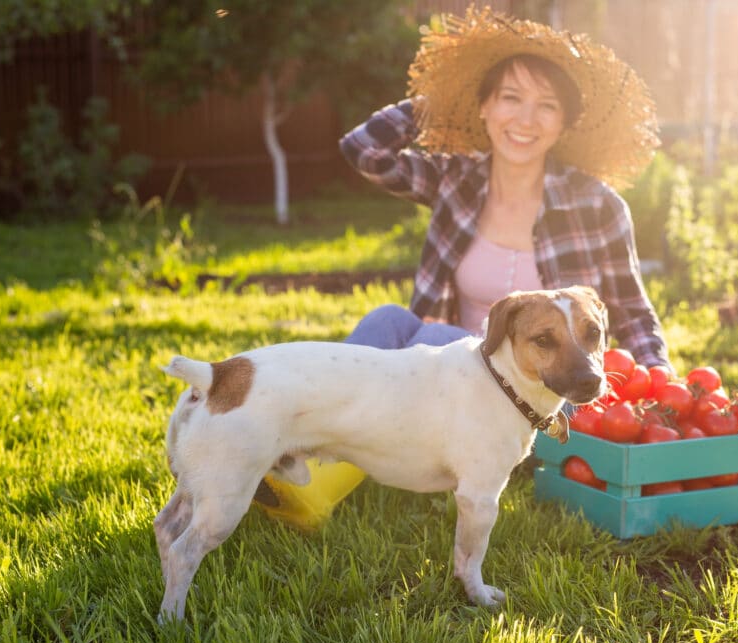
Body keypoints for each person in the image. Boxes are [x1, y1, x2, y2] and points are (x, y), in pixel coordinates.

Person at [254, 7, 671, 524]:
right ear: (485, 107)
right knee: (389, 321)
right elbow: (364, 150)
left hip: (528, 401)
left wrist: (660, 386)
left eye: (546, 106)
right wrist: (437, 102)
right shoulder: (457, 181)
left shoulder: (597, 205)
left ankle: (314, 491)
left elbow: (632, 312)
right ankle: (289, 444)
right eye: (509, 99)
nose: (524, 119)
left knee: (440, 339)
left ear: (564, 122)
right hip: (440, 386)